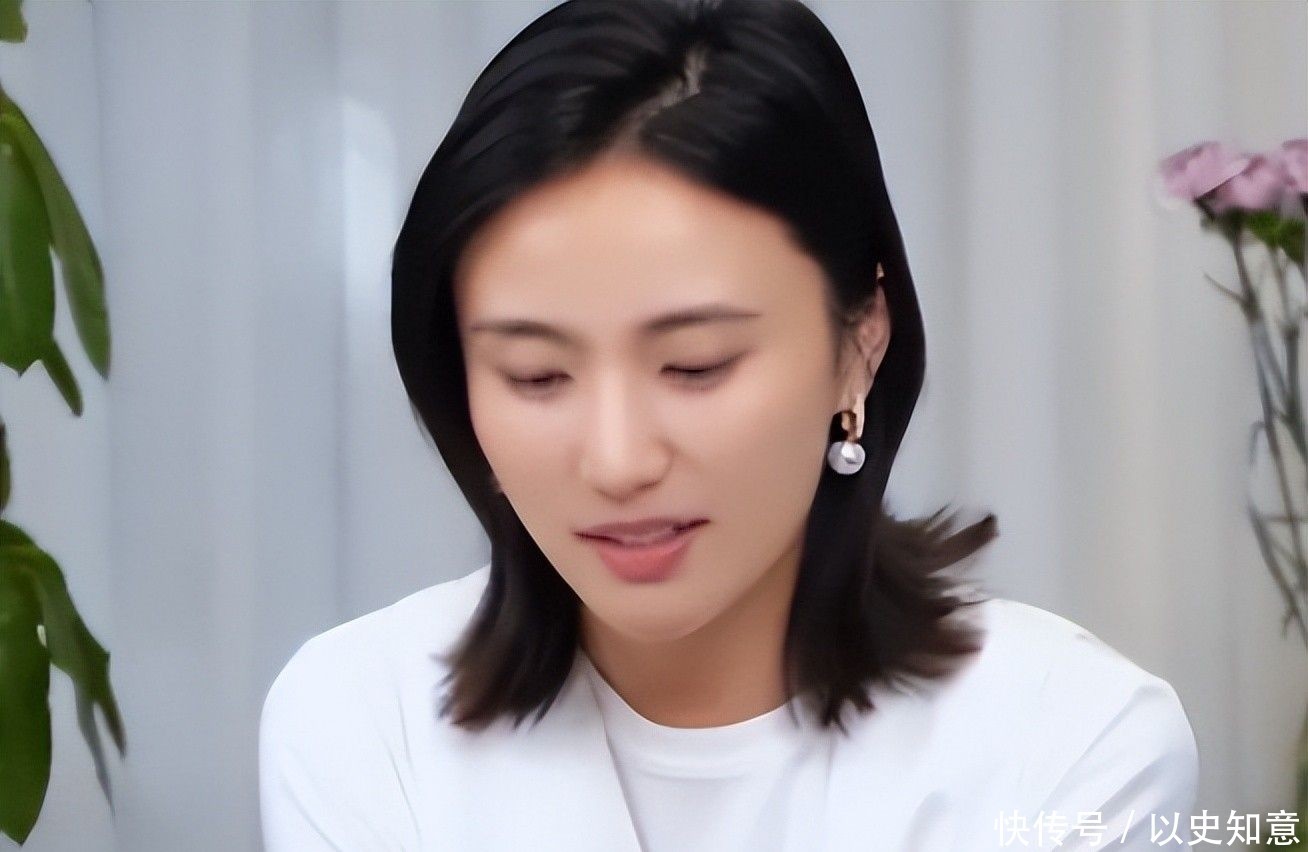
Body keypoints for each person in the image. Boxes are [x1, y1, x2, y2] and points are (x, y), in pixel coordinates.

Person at [258, 1, 1199, 849]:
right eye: (537, 376)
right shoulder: (362, 721)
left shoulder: (1071, 741)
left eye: (696, 364)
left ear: (860, 340)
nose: (618, 460)